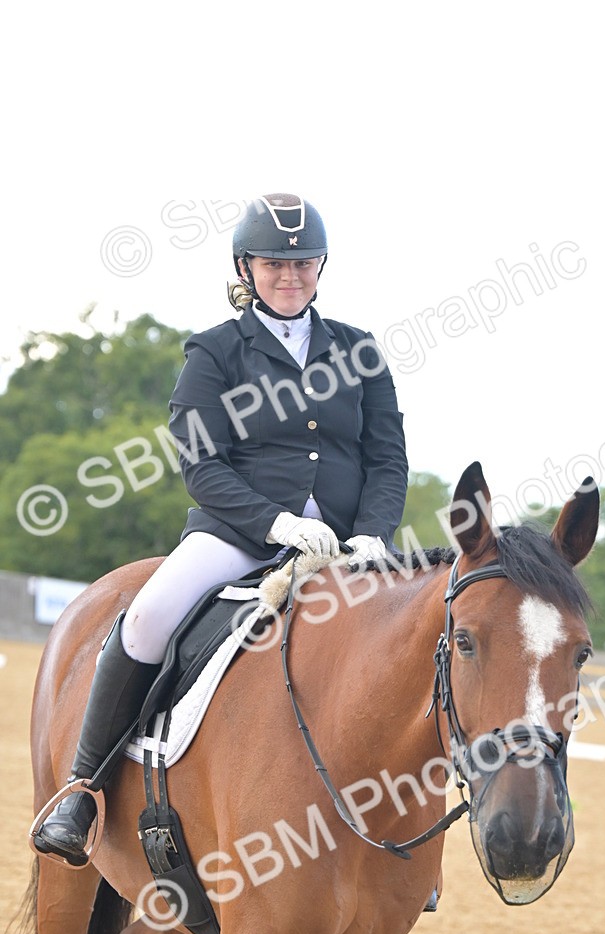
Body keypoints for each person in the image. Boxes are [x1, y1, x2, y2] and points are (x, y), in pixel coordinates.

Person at [34, 192, 408, 866]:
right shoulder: (215, 352)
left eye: (303, 263)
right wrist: (275, 522)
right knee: (147, 616)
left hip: (347, 546)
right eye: (274, 264)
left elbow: (387, 458)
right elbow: (201, 466)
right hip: (237, 535)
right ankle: (82, 790)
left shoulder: (359, 351)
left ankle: (409, 842)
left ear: (321, 266)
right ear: (245, 268)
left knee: (422, 634)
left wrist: (375, 533)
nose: (290, 275)